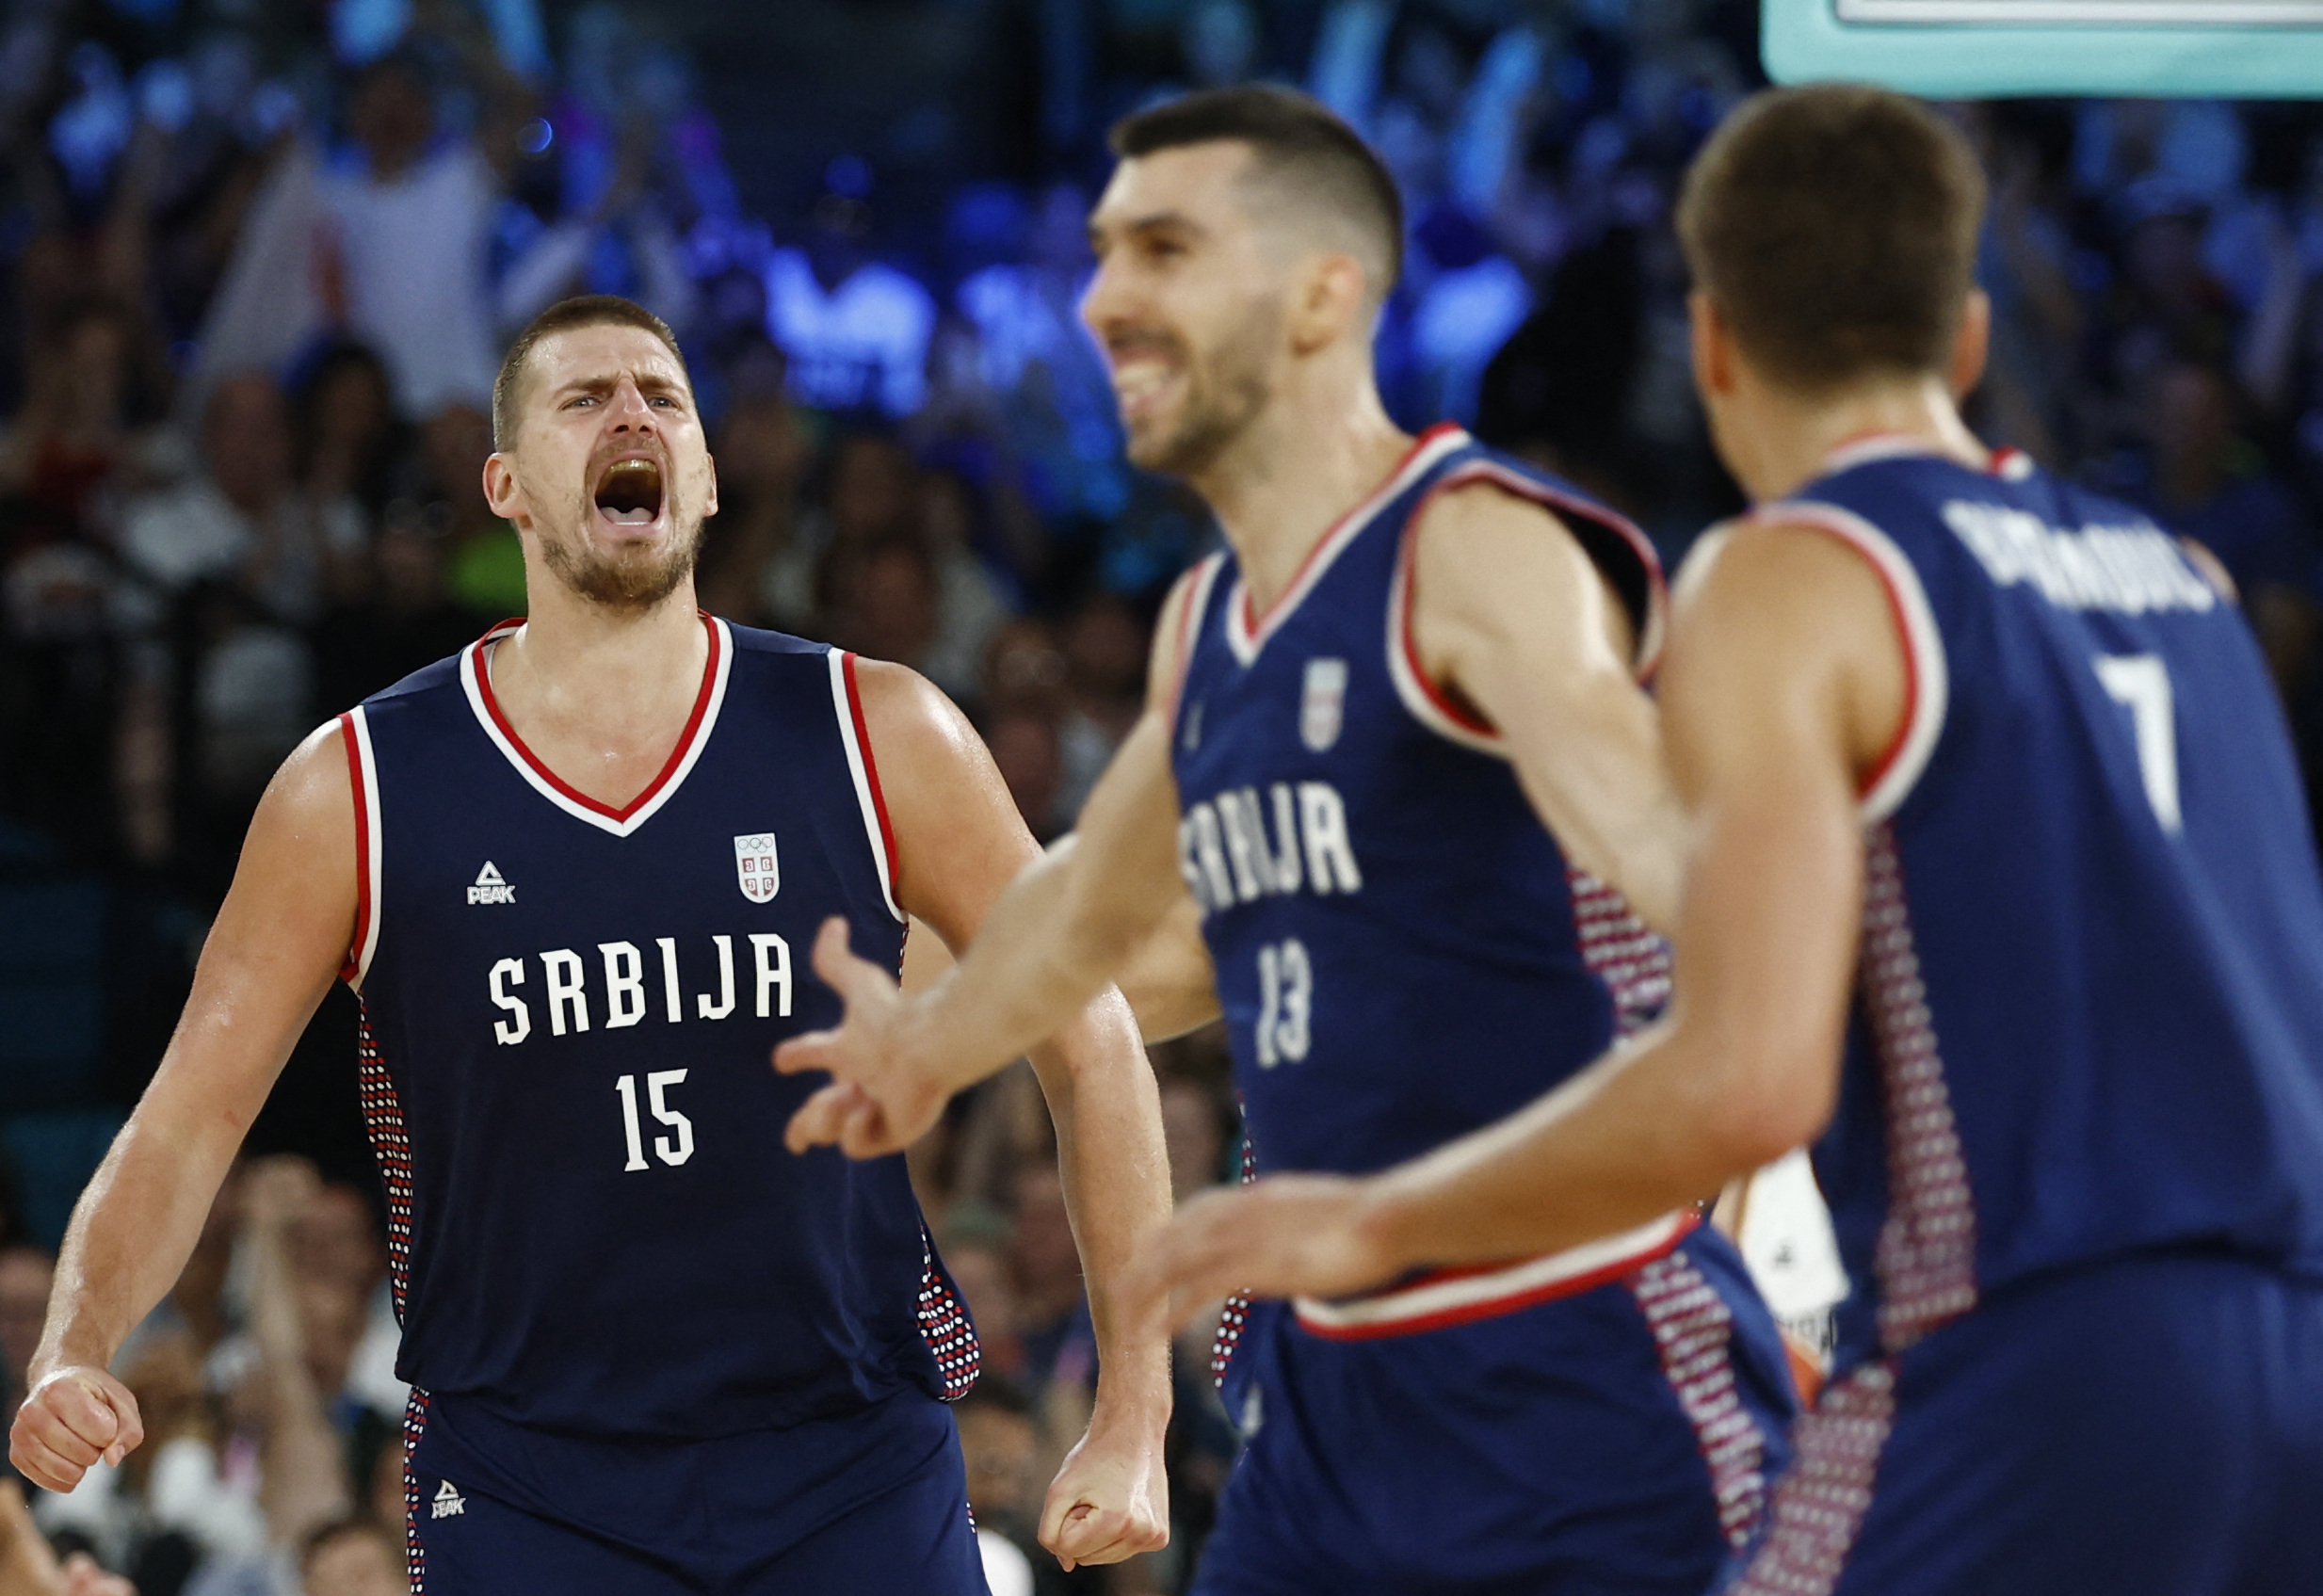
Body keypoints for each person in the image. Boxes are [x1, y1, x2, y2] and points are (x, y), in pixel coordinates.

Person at [1122, 85, 2323, 1596]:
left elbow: (1749, 1079)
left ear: (1710, 349)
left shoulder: (1798, 573)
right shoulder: (2192, 580)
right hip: (2296, 1341)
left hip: (2036, 1341)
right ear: (1965, 336)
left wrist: (1375, 1215)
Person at [777, 86, 1794, 1596]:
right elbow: (1091, 927)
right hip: (1332, 1393)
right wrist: (924, 1042)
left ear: (1324, 298)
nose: (1110, 297)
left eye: (1167, 251)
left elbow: (1721, 921)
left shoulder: (1477, 554)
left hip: (1572, 1356)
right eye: (1111, 253)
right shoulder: (1210, 627)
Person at [10, 295, 1172, 1594]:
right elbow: (184, 1124)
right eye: (584, 400)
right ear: (505, 486)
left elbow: (1095, 1040)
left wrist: (1135, 1412)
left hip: (849, 1459)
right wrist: (75, 1340)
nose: (631, 413)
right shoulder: (356, 789)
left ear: (711, 478)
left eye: (662, 397)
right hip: (531, 1483)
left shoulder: (878, 728)